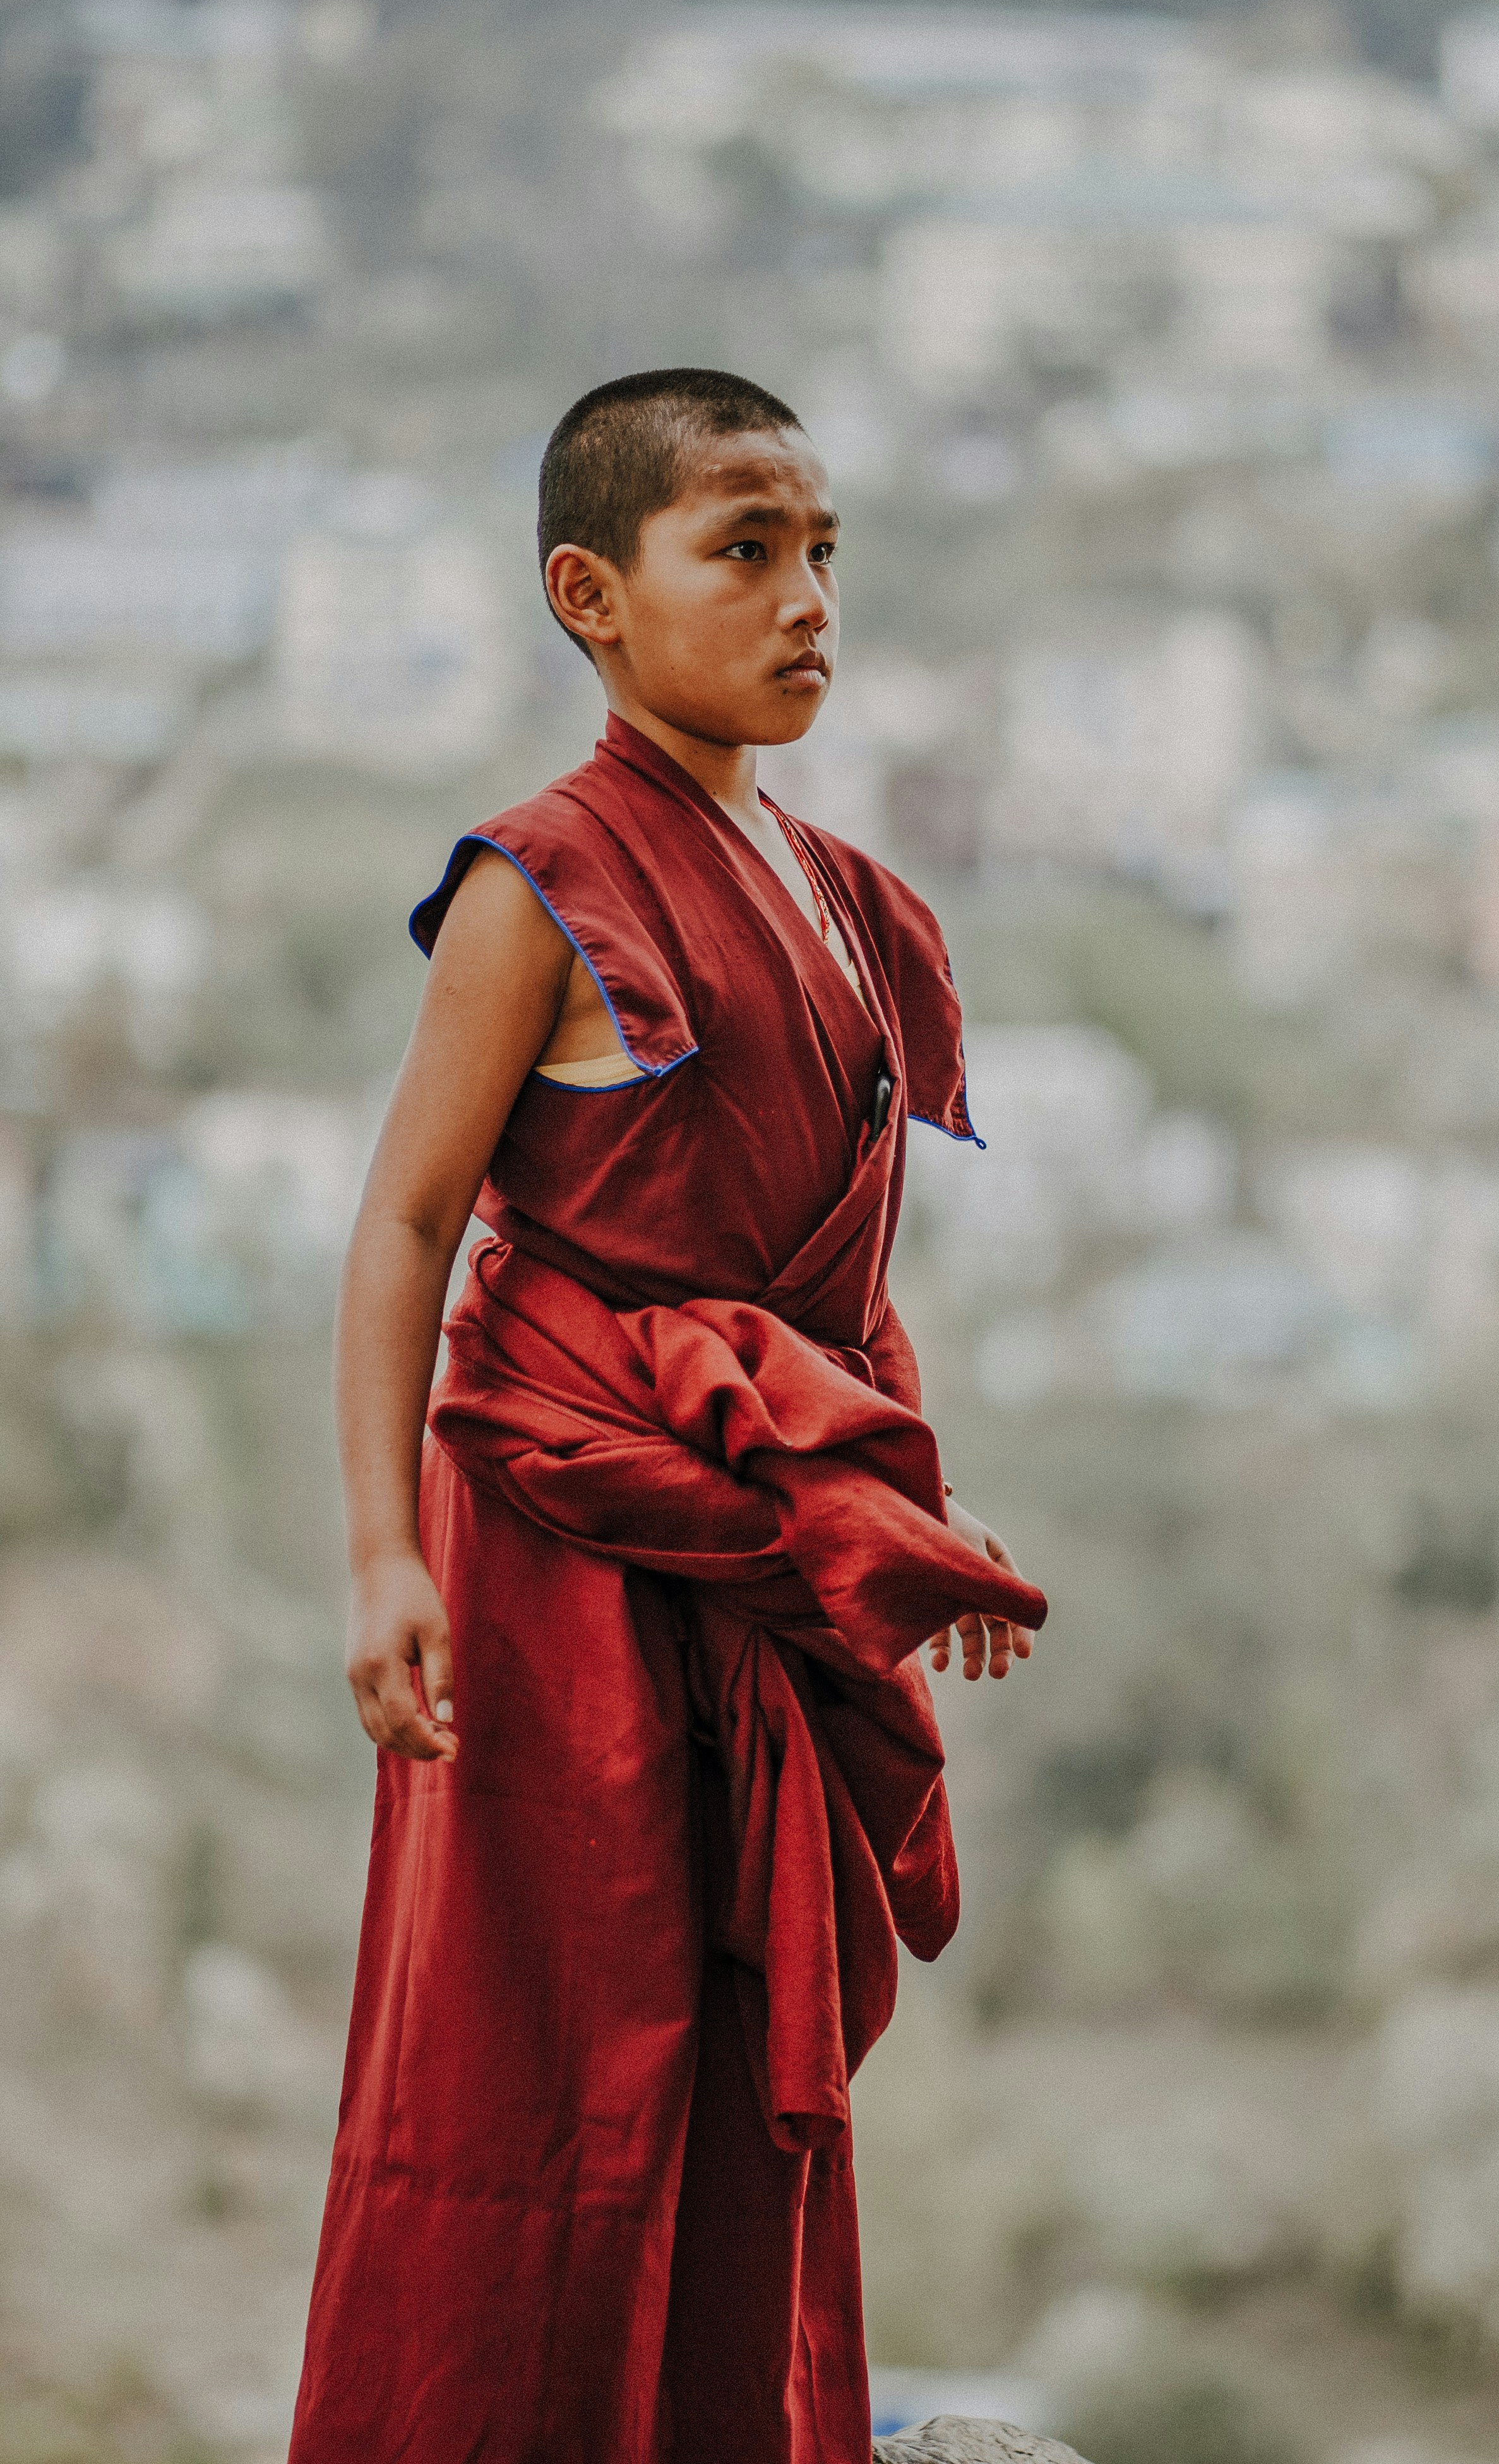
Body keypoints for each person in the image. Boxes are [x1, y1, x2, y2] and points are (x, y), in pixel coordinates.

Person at [287, 368, 1046, 2464]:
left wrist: (914, 1511)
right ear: (590, 595)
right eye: (745, 550)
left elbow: (834, 1286)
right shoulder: (539, 885)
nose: (808, 601)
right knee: (543, 2057)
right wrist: (380, 1558)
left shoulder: (849, 899)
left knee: (728, 2040)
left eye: (823, 555)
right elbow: (404, 1225)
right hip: (558, 1550)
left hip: (763, 1551)